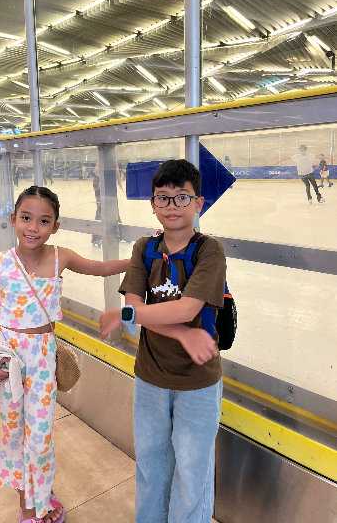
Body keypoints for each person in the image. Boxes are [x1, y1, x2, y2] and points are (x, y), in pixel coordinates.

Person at [0, 185, 130, 523]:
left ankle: (39, 494)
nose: (33, 227)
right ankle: (28, 504)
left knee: (40, 435)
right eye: (26, 218)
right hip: (7, 360)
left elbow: (102, 268)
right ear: (13, 219)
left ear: (55, 226)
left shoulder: (62, 257)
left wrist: (143, 256)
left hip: (43, 359)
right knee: (14, 432)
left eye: (44, 221)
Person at [100, 159, 225, 523]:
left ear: (198, 203)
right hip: (150, 377)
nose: (172, 206)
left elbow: (186, 308)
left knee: (192, 470)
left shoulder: (209, 250)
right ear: (152, 204)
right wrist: (182, 333)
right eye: (163, 198)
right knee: (150, 463)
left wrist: (128, 316)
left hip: (198, 380)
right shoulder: (145, 248)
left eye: (182, 197)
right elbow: (136, 308)